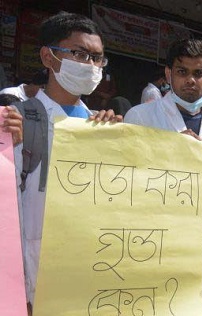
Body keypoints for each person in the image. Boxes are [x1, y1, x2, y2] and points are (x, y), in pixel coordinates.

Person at [11, 12, 120, 312]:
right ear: (48, 57)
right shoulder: (19, 119)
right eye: (79, 54)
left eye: (97, 58)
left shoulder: (103, 126)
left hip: (87, 273)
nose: (91, 66)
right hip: (31, 276)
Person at [124, 39, 202, 309]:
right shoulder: (140, 117)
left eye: (198, 73)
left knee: (181, 305)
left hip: (195, 239)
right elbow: (125, 180)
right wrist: (169, 150)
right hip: (147, 237)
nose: (190, 80)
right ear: (169, 74)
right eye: (182, 72)